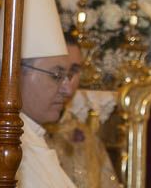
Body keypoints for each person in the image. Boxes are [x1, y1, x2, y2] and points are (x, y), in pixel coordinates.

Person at [0, 0, 77, 188]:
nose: (67, 88)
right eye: (56, 75)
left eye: (67, 76)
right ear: (15, 74)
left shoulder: (31, 132)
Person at [49, 38, 120, 188]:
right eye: (57, 72)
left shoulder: (86, 137)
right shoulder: (18, 136)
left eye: (73, 71)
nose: (67, 84)